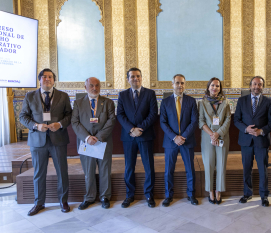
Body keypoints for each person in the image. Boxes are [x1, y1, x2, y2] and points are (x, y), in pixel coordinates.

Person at [19, 68, 71, 215]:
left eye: (50, 77)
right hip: (37, 140)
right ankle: (39, 203)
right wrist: (36, 126)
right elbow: (23, 116)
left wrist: (59, 124)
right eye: (44, 77)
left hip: (58, 138)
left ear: (54, 80)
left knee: (62, 171)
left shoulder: (63, 96)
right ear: (39, 79)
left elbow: (69, 115)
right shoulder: (29, 96)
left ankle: (63, 201)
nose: (47, 79)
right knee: (39, 173)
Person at [71, 77, 116, 210]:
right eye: (91, 85)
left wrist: (99, 137)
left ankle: (105, 197)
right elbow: (75, 122)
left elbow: (111, 120)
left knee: (105, 170)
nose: (94, 88)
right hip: (86, 143)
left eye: (97, 85)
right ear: (85, 87)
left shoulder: (108, 102)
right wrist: (87, 137)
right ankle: (89, 197)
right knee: (88, 171)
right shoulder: (78, 103)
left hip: (103, 142)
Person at [117, 67, 158, 208]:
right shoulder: (122, 95)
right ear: (128, 79)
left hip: (145, 135)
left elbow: (153, 114)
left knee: (149, 167)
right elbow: (120, 115)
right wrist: (131, 129)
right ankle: (129, 195)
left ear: (141, 77)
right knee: (129, 167)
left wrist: (140, 128)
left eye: (138, 76)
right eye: (133, 76)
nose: (136, 78)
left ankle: (149, 195)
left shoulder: (150, 93)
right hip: (129, 137)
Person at [234, 76, 271, 207]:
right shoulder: (241, 100)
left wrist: (261, 131)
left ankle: (264, 196)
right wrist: (246, 129)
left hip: (261, 141)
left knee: (263, 169)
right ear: (250, 86)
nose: (257, 87)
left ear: (263, 87)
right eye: (254, 84)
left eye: (260, 84)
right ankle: (247, 193)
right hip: (246, 141)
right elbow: (236, 120)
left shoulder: (268, 102)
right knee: (247, 168)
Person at [160, 74, 199, 206]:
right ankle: (168, 195)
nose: (180, 85)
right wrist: (174, 137)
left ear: (184, 84)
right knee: (169, 170)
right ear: (172, 84)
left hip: (187, 141)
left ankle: (191, 194)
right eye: (177, 83)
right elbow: (163, 122)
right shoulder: (165, 102)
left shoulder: (191, 101)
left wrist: (183, 137)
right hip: (171, 142)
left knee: (190, 169)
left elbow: (194, 122)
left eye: (182, 83)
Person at [198, 77, 231, 204]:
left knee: (221, 164)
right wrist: (212, 134)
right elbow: (201, 121)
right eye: (212, 85)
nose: (214, 88)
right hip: (207, 138)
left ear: (220, 88)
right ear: (208, 87)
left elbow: (228, 120)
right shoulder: (202, 103)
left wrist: (218, 133)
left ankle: (219, 191)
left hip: (222, 136)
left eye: (217, 86)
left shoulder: (226, 102)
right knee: (209, 164)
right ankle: (210, 191)